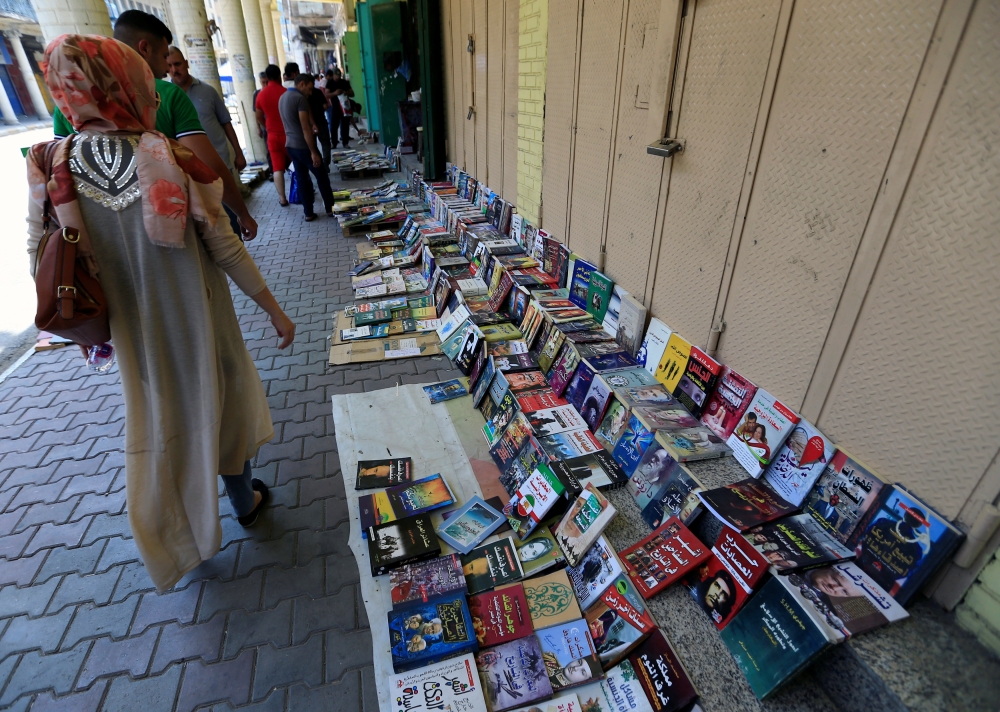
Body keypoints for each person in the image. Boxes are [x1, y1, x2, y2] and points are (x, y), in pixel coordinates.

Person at [27, 35, 296, 592]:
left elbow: (42, 255)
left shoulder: (50, 163)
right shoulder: (170, 157)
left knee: (161, 422)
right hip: (201, 317)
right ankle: (243, 503)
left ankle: (183, 543)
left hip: (133, 334)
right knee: (225, 403)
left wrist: (78, 327)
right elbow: (225, 248)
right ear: (126, 83)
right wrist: (274, 311)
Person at [50, 10, 257, 239]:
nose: (167, 67)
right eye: (163, 56)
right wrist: (242, 213)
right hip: (178, 227)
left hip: (104, 235)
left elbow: (59, 177)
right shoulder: (168, 94)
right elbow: (208, 166)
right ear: (144, 48)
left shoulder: (66, 106)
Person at [166, 46, 247, 237]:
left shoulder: (208, 92)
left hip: (218, 166)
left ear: (186, 63)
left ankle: (237, 253)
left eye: (177, 64)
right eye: (169, 66)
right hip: (186, 173)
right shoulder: (165, 96)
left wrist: (239, 153)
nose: (174, 69)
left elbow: (226, 123)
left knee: (230, 217)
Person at [278, 73, 336, 221]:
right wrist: (313, 151)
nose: (310, 93)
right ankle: (330, 208)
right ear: (302, 84)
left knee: (302, 178)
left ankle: (308, 212)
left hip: (291, 145)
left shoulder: (283, 97)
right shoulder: (299, 99)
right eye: (309, 89)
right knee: (321, 176)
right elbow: (305, 128)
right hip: (303, 146)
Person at [254, 64, 289, 205]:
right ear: (280, 75)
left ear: (267, 78)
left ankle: (282, 198)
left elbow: (258, 116)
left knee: (277, 168)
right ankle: (302, 192)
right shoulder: (286, 92)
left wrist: (266, 126)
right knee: (297, 166)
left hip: (272, 136)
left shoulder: (261, 95)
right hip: (289, 134)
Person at [306, 74, 332, 166]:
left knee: (312, 145)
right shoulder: (318, 92)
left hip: (309, 124)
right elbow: (325, 106)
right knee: (325, 143)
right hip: (321, 121)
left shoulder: (302, 95)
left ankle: (320, 161)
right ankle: (326, 163)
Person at [324, 68, 353, 148]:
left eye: (339, 75)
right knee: (333, 126)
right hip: (335, 107)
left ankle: (345, 142)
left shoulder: (344, 82)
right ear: (333, 75)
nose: (338, 77)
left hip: (344, 107)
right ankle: (334, 142)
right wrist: (335, 93)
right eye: (336, 76)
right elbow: (326, 95)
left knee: (345, 125)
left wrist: (345, 92)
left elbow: (352, 93)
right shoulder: (330, 83)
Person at [253, 71, 272, 177]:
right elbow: (256, 113)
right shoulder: (257, 94)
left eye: (266, 82)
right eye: (263, 82)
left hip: (276, 126)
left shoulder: (272, 92)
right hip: (266, 127)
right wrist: (259, 128)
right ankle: (272, 172)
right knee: (269, 150)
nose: (265, 85)